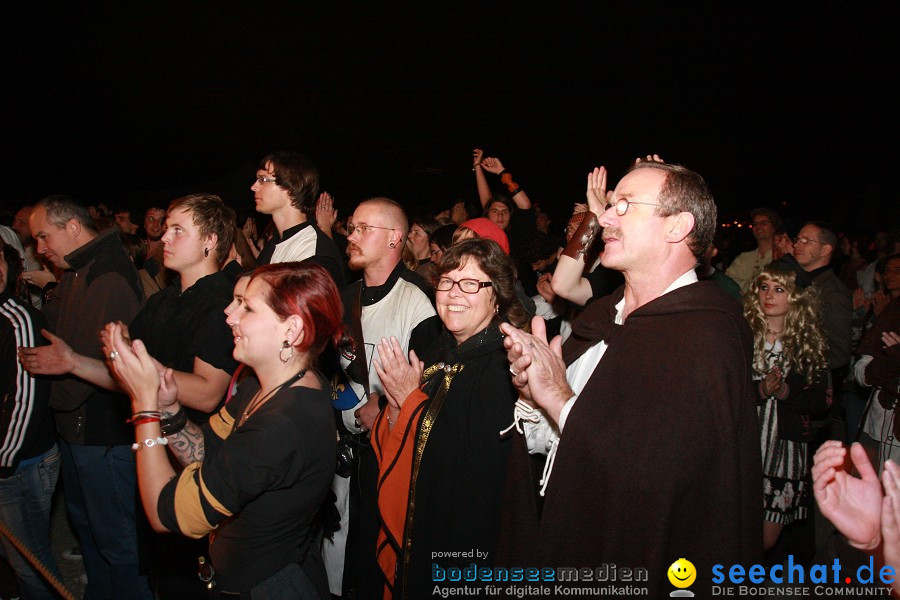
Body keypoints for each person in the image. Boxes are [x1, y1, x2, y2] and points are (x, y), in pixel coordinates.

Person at [498, 159, 762, 598]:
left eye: (625, 205)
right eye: (609, 205)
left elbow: (654, 477)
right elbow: (559, 445)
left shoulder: (706, 336)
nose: (603, 218)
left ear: (678, 226)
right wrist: (536, 398)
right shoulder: (604, 318)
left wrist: (560, 398)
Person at [107, 262, 342, 597]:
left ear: (291, 330)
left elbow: (165, 512)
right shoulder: (261, 384)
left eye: (247, 307)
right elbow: (208, 451)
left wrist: (144, 407)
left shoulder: (283, 426)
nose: (230, 316)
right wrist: (169, 410)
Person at [371, 238, 526, 598]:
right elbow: (397, 441)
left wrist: (410, 400)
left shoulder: (508, 366)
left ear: (497, 295)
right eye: (446, 282)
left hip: (465, 543)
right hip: (420, 525)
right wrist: (396, 405)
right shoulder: (433, 349)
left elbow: (472, 470)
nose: (454, 293)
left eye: (471, 283)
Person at [21, 195, 151, 599]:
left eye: (44, 236)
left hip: (102, 433)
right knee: (91, 532)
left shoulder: (107, 275)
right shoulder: (77, 271)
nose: (39, 248)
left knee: (118, 543)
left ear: (73, 228)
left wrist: (39, 408)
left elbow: (104, 365)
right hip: (80, 431)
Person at [325, 197, 440, 597]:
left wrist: (390, 403)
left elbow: (433, 379)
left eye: (363, 229)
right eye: (350, 229)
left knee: (373, 562)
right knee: (335, 555)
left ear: (394, 238)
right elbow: (329, 370)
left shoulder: (418, 300)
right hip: (341, 454)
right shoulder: (343, 297)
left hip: (385, 459)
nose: (351, 237)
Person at [743, 256, 831, 549]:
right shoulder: (743, 335)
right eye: (764, 287)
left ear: (796, 297)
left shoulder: (808, 343)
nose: (768, 295)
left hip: (785, 457)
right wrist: (761, 390)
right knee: (733, 538)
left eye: (779, 289)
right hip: (742, 450)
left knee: (763, 544)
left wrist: (784, 393)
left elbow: (821, 404)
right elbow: (721, 390)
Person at [0, 242, 63, 600]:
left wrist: (3, 460)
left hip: (20, 464)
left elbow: (27, 399)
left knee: (30, 564)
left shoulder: (18, 319)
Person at [251, 151, 346, 288]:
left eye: (263, 179)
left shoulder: (314, 253)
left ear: (291, 186)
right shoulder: (274, 244)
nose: (254, 186)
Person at [725, 207, 781, 292]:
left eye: (764, 223)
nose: (758, 227)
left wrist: (742, 286)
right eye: (755, 224)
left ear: (774, 227)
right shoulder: (744, 258)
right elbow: (727, 282)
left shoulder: (779, 258)